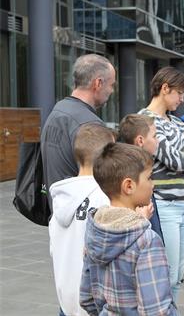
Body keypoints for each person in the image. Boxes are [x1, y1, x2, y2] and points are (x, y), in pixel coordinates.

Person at [80, 143, 178, 315]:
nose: (153, 184)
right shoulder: (146, 240)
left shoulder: (96, 229)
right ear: (129, 186)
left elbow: (86, 298)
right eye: (149, 178)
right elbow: (156, 311)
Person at [138, 66, 184, 300]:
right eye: (180, 93)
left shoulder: (177, 123)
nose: (182, 98)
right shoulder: (145, 120)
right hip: (165, 204)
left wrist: (179, 157)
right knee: (168, 274)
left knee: (178, 275)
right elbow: (174, 160)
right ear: (165, 88)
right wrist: (182, 158)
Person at [49, 124, 115, 316]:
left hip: (67, 302)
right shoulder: (105, 196)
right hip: (95, 304)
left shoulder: (61, 196)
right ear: (107, 156)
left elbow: (55, 250)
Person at [41, 54, 116, 200]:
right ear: (98, 83)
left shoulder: (57, 111)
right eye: (111, 85)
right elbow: (104, 180)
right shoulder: (90, 125)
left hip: (59, 211)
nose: (112, 91)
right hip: (82, 215)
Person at [118, 114, 163, 243]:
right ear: (140, 141)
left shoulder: (133, 168)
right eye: (154, 136)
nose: (157, 141)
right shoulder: (134, 175)